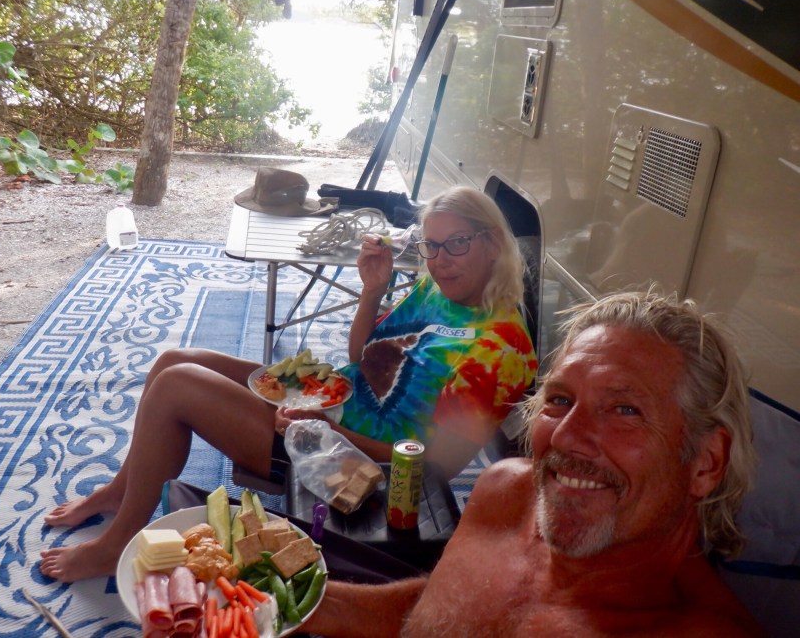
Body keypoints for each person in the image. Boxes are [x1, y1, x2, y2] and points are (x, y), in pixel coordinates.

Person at [38, 185, 538, 582]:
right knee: (175, 358)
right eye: (432, 245)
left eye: (457, 243)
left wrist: (327, 429)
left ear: (493, 243)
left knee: (177, 386)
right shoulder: (438, 286)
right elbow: (363, 359)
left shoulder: (502, 350)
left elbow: (435, 468)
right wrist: (373, 290)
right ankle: (119, 491)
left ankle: (117, 544)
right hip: (330, 401)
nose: (441, 259)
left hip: (351, 464)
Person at [300, 290, 766, 637]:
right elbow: (447, 603)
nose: (565, 436)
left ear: (706, 463)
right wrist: (304, 605)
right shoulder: (506, 492)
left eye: (625, 410)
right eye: (559, 399)